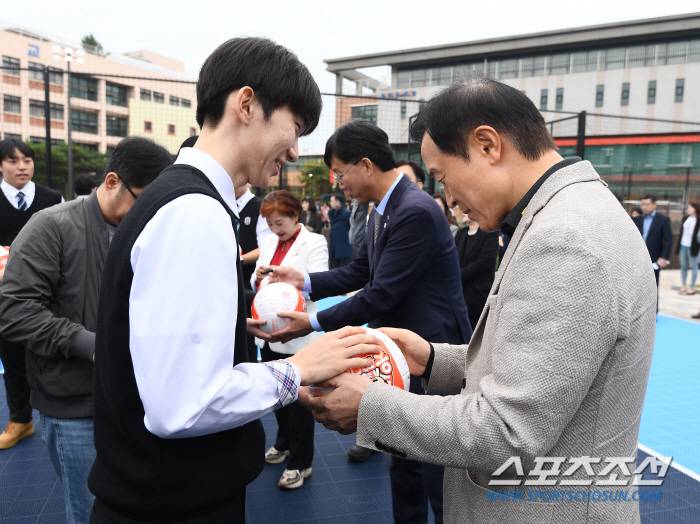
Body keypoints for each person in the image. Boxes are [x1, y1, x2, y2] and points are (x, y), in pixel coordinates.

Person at [303, 75, 656, 524]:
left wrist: (369, 405)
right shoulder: (572, 211)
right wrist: (431, 360)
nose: (448, 199)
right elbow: (533, 371)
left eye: (443, 177)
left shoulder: (566, 239)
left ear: (487, 145)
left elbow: (506, 431)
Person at [87, 38, 380, 524]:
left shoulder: (180, 197)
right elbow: (181, 407)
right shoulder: (194, 210)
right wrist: (299, 370)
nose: (295, 149)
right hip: (174, 506)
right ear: (246, 104)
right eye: (296, 127)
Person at [268, 119, 471, 524]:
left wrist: (311, 323)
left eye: (340, 172)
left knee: (437, 471)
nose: (338, 181)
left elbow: (380, 295)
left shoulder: (415, 210)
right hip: (400, 353)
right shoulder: (380, 210)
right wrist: (302, 280)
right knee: (403, 457)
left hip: (430, 355)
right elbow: (360, 272)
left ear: (365, 165)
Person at [0, 137, 172, 524]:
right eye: (142, 201)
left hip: (138, 399)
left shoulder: (150, 232)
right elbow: (13, 310)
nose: (148, 214)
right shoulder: (52, 226)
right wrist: (93, 345)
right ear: (112, 182)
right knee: (90, 510)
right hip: (75, 405)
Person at [252, 190, 328, 489]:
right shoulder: (269, 242)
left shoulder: (314, 241)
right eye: (270, 223)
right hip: (269, 332)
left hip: (297, 333)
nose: (275, 229)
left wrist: (287, 280)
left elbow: (319, 283)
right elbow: (257, 285)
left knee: (299, 403)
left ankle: (301, 462)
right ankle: (283, 443)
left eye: (280, 222)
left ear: (296, 216)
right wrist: (259, 277)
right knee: (276, 397)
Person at [0, 138, 62, 451]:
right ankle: (20, 420)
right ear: (1, 165)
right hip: (6, 298)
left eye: (27, 160)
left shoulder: (53, 198)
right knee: (12, 358)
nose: (22, 166)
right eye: (13, 161)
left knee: (52, 352)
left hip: (47, 293)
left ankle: (59, 416)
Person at [454, 216, 500, 331]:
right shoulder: (461, 233)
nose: (462, 211)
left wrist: (457, 276)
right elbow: (454, 258)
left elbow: (483, 262)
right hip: (460, 295)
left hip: (478, 296)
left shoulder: (489, 233)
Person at [632, 195, 673, 307]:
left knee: (653, 285)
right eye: (642, 204)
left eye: (647, 204)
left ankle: (653, 312)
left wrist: (664, 257)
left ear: (655, 205)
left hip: (654, 257)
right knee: (636, 286)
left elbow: (668, 240)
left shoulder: (663, 219)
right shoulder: (636, 220)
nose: (644, 207)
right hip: (638, 258)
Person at [677, 203, 700, 296]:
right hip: (683, 245)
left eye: (690, 207)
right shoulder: (685, 219)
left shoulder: (698, 220)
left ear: (695, 208)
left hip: (693, 247)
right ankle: (683, 286)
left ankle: (692, 287)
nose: (688, 209)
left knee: (694, 266)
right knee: (683, 266)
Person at [328, 193, 353, 268]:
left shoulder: (347, 213)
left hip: (344, 246)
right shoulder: (330, 212)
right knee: (332, 269)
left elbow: (351, 227)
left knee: (345, 270)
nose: (330, 203)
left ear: (338, 202)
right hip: (333, 246)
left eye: (332, 201)